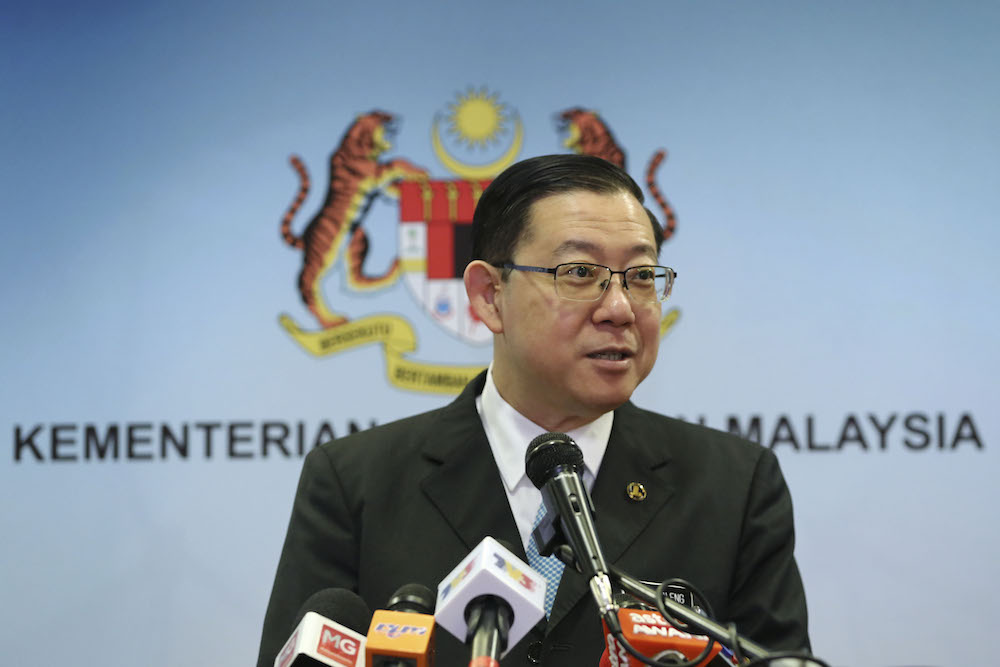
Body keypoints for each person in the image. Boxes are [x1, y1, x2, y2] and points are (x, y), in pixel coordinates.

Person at [256, 154, 810, 666]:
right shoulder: (356, 483)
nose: (619, 308)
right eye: (579, 273)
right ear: (489, 296)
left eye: (641, 276)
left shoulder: (733, 486)